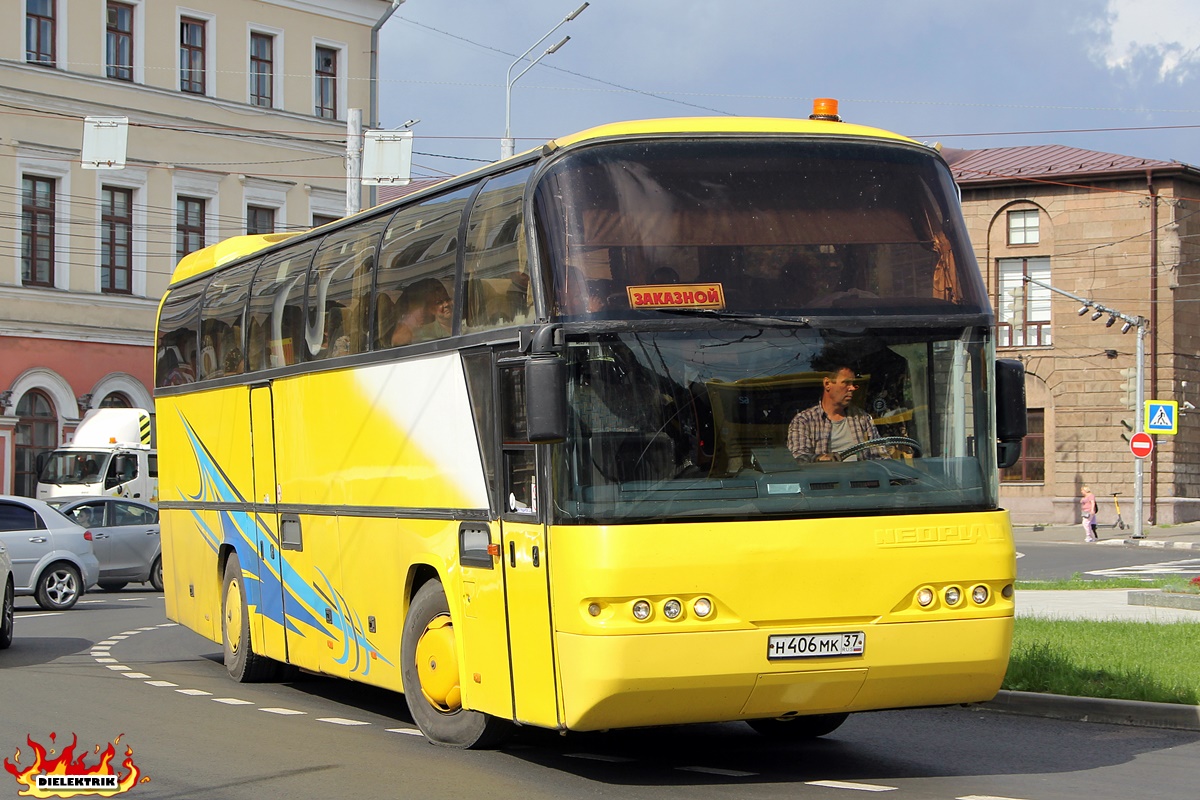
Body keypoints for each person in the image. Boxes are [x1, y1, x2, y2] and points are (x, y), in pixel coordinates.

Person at [787, 366, 884, 462]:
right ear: (827, 384)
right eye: (846, 383)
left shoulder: (862, 418)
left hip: (862, 476)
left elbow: (880, 455)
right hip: (825, 476)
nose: (852, 388)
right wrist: (819, 459)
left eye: (853, 383)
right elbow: (798, 458)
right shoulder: (804, 421)